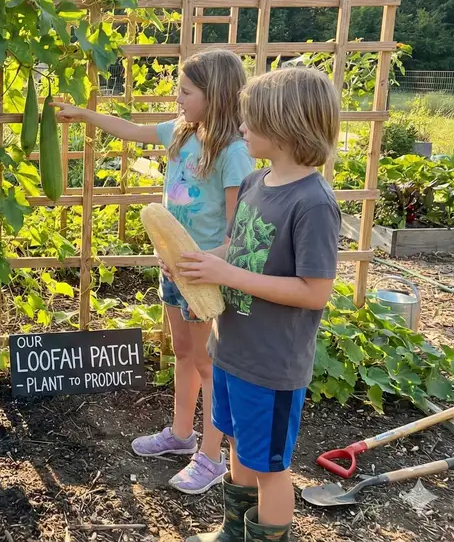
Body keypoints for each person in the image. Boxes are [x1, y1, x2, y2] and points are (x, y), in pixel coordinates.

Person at [55, 49, 254, 494]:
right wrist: (85, 113)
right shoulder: (183, 134)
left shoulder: (232, 154)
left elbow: (237, 234)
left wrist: (209, 262)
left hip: (204, 277)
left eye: (185, 91)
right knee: (182, 354)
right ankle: (182, 437)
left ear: (215, 95)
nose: (176, 97)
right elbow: (131, 130)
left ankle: (211, 456)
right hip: (173, 269)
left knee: (208, 365)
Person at [175, 66, 342, 542]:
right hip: (233, 349)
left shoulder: (313, 203)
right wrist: (197, 263)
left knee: (270, 466)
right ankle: (234, 533)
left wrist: (226, 274)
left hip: (272, 364)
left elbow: (315, 291)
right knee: (240, 448)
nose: (242, 128)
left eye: (251, 120)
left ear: (285, 126)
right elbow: (237, 249)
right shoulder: (255, 184)